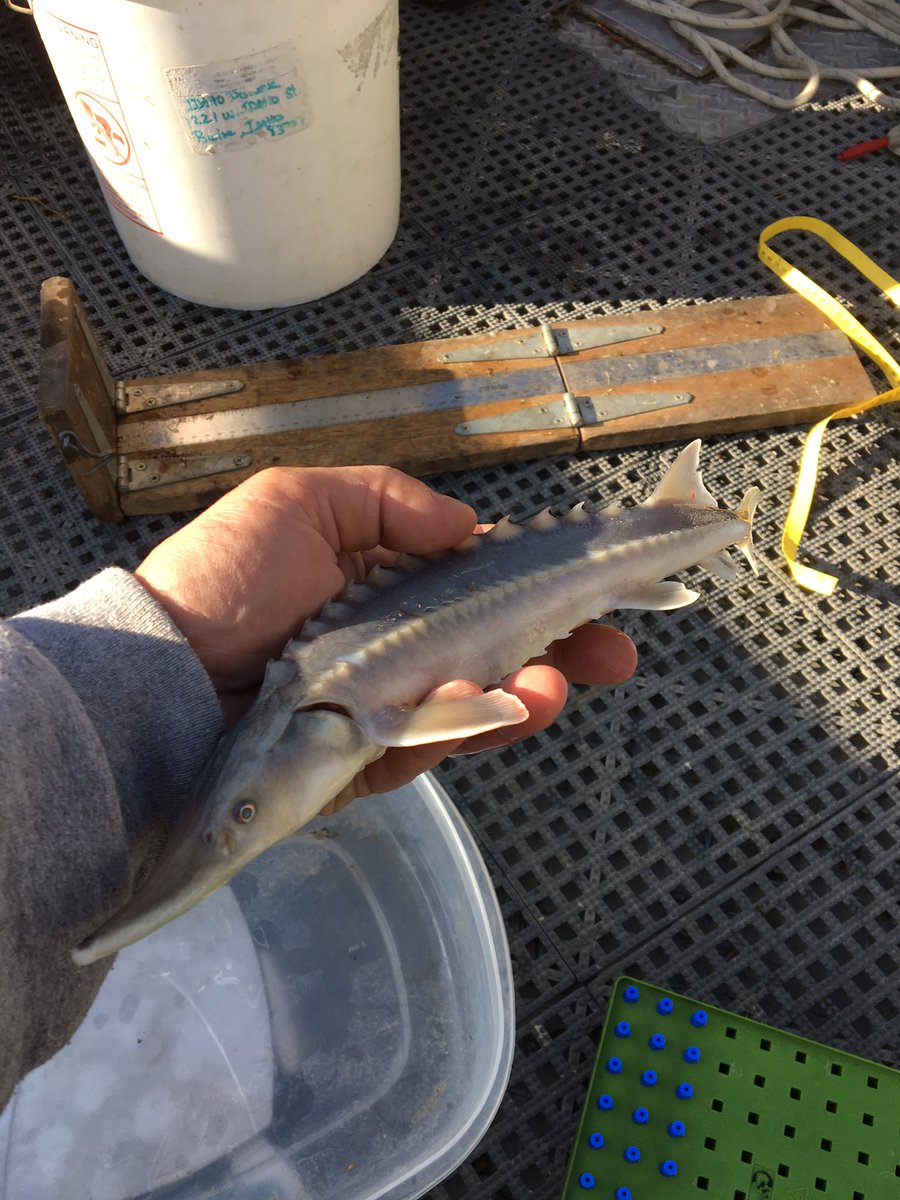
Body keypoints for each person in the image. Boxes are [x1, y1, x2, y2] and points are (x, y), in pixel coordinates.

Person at [0, 465, 637, 1111]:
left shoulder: (342, 714)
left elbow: (485, 709)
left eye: (245, 813)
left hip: (577, 559)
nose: (240, 829)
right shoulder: (303, 709)